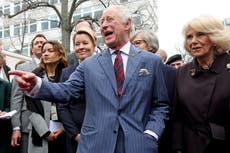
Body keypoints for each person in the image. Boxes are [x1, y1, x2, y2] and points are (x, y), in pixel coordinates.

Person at [9, 5, 169, 153]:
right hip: (95, 146)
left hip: (138, 145)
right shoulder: (89, 64)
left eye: (110, 19)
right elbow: (66, 90)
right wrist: (37, 84)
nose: (104, 25)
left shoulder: (151, 62)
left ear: (127, 24)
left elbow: (161, 105)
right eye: (102, 22)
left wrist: (152, 133)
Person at [171, 15, 230, 153]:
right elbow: (177, 116)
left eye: (200, 35)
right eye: (189, 37)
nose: (193, 41)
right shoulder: (182, 72)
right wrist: (177, 148)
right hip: (191, 146)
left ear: (215, 37)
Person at [131, 29, 176, 153]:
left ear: (151, 46)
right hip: (139, 137)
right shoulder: (129, 73)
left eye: (137, 43)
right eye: (131, 44)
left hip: (166, 136)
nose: (132, 47)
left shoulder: (172, 73)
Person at [57, 27, 96, 153]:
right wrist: (74, 134)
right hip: (75, 135)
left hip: (101, 133)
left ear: (94, 45)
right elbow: (62, 106)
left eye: (85, 43)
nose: (81, 47)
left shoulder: (105, 70)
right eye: (77, 44)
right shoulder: (67, 72)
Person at [26, 40, 68, 153]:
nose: (45, 54)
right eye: (43, 51)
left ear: (60, 55)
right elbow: (31, 108)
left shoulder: (68, 75)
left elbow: (73, 105)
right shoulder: (35, 76)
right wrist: (45, 132)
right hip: (40, 132)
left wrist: (63, 128)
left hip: (64, 132)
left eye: (50, 51)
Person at [10, 34, 47, 153]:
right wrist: (16, 128)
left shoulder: (53, 67)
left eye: (42, 42)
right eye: (37, 43)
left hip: (49, 124)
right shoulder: (23, 68)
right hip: (28, 124)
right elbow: (16, 98)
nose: (40, 44)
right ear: (32, 49)